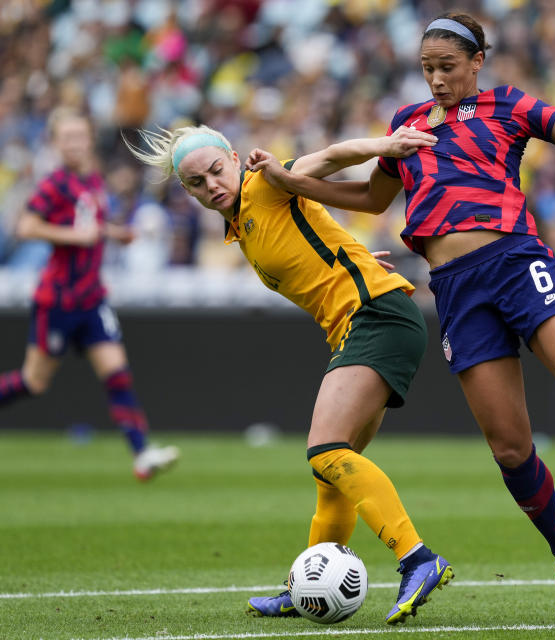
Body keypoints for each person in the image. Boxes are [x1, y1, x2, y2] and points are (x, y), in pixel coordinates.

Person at [246, 12, 555, 617]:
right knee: (510, 446)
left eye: (448, 68)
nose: (436, 80)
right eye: (427, 69)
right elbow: (370, 198)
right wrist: (290, 182)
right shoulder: (405, 125)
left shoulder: (509, 107)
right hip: (455, 288)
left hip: (516, 261)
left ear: (477, 61)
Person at [125, 123, 453, 625]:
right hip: (365, 320)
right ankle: (304, 591)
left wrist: (386, 146)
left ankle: (417, 558)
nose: (211, 185)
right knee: (333, 474)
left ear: (234, 159)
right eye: (196, 182)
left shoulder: (265, 182)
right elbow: (317, 243)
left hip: (376, 316)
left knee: (325, 450)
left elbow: (331, 157)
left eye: (216, 170)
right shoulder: (238, 226)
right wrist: (355, 256)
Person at [0, 107, 179, 481]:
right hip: (59, 299)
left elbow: (90, 226)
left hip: (91, 297)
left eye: (80, 136)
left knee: (117, 374)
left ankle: (142, 454)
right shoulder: (55, 184)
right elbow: (25, 226)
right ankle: (142, 452)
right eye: (68, 138)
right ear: (56, 143)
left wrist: (116, 234)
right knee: (34, 381)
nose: (76, 144)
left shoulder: (92, 180)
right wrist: (73, 236)